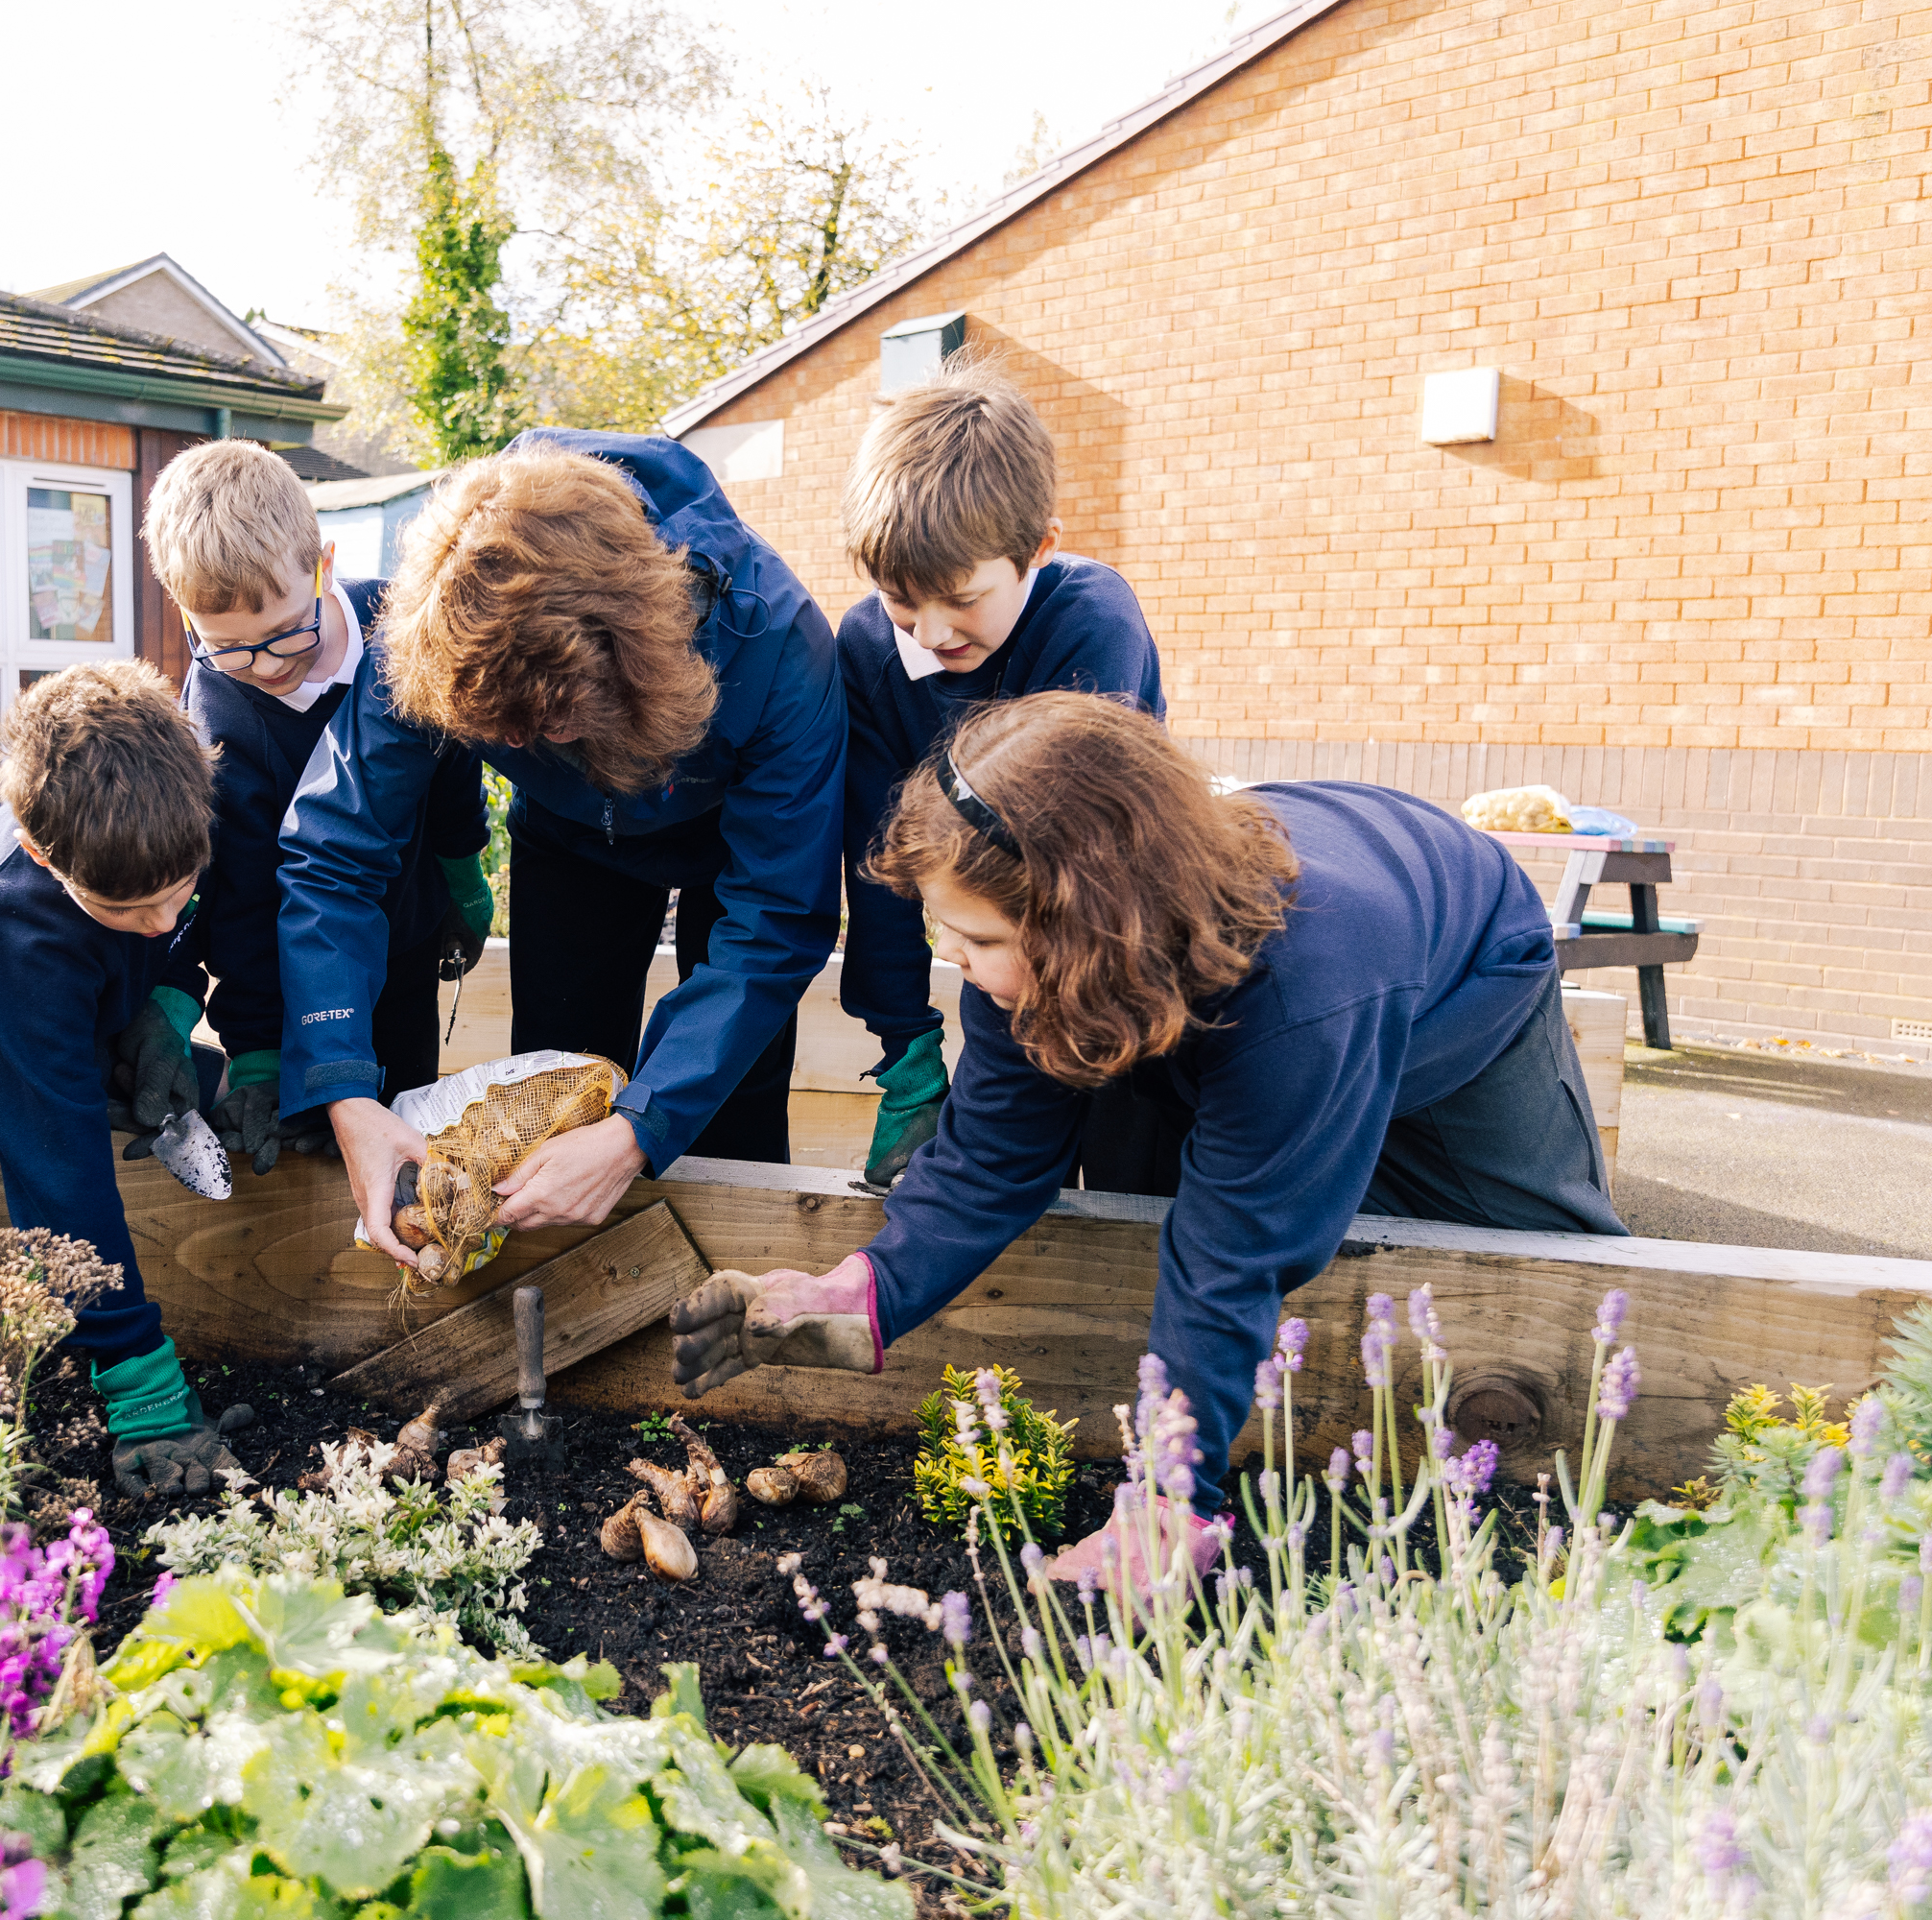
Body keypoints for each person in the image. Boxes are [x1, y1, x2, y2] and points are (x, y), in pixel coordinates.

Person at [671, 692, 1626, 1530]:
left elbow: (1232, 1256)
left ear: (1078, 925)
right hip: (1177, 962)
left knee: (1526, 1247)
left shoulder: (1308, 992)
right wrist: (868, 1285)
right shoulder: (1016, 933)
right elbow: (994, 1153)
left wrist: (1170, 1506)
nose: (952, 959)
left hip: (1458, 975)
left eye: (971, 938)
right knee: (1148, 1202)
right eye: (943, 931)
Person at [274, 430, 844, 1265]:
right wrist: (345, 1091)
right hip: (572, 837)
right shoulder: (440, 623)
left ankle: (736, 1305)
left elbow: (777, 918)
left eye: (544, 723)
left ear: (624, 651)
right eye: (495, 734)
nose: (515, 743)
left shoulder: (777, 643)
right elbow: (333, 847)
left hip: (726, 832)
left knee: (727, 1100)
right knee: (555, 1078)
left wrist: (642, 1130)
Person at [0, 661, 247, 1495]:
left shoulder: (171, 813)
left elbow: (190, 925)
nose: (159, 918)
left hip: (100, 1009)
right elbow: (54, 1163)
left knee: (228, 1089)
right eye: (126, 910)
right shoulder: (15, 921)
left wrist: (171, 998)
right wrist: (136, 1378)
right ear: (44, 853)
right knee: (82, 1133)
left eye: (176, 892)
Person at [834, 362, 1167, 1190]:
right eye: (902, 599)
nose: (934, 630)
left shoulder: (1092, 622)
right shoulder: (870, 647)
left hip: (1110, 943)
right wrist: (903, 1040)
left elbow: (1062, 864)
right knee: (995, 1183)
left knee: (1125, 1174)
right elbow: (880, 858)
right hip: (993, 942)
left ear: (1038, 550)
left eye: (961, 597)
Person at [144, 440, 491, 1175]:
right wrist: (263, 1051)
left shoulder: (403, 622)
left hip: (404, 936)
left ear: (322, 563)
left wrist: (463, 875)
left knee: (406, 1116)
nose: (267, 668)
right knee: (317, 1145)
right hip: (284, 953)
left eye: (285, 633)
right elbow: (237, 891)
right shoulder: (216, 708)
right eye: (232, 649)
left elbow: (455, 761)